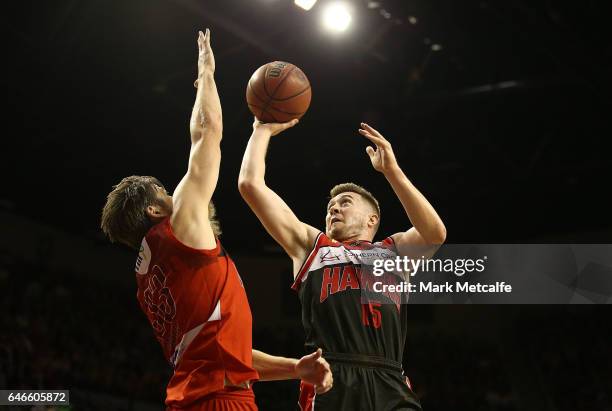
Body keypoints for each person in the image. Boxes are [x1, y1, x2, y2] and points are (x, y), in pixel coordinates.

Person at [100, 30, 332, 411]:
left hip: (197, 399)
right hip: (220, 402)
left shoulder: (147, 280)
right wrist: (206, 73)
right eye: (165, 193)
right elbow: (206, 133)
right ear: (155, 212)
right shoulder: (176, 231)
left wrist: (296, 368)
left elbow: (229, 354)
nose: (176, 194)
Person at [238, 119, 446, 410]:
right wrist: (261, 130)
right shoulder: (312, 246)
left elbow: (435, 233)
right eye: (330, 207)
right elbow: (250, 185)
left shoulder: (394, 251)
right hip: (331, 378)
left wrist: (392, 171)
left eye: (345, 202)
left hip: (390, 381)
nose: (334, 208)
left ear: (372, 219)